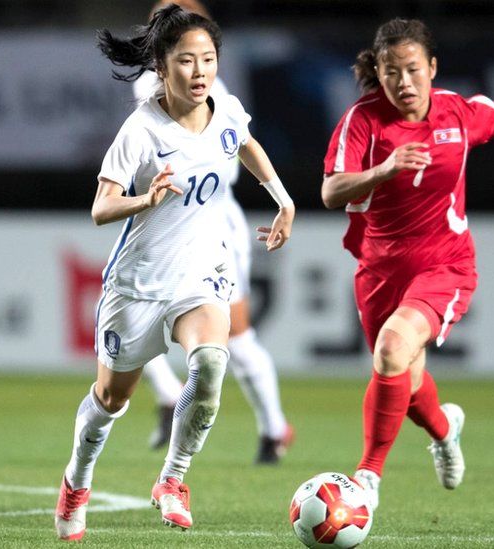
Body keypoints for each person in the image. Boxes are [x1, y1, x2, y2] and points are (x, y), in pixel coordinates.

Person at [54, 5, 295, 540]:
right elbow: (101, 208)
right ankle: (77, 479)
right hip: (138, 286)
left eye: (207, 58)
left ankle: (172, 479)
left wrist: (283, 200)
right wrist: (146, 197)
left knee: (211, 362)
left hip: (200, 275)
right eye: (186, 60)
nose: (199, 70)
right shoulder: (142, 129)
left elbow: (246, 145)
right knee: (111, 401)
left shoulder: (225, 109)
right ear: (161, 68)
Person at [322, 18, 494, 510]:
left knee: (390, 351)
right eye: (392, 72)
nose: (403, 83)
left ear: (432, 67)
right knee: (403, 381)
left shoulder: (459, 113)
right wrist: (385, 169)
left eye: (412, 70)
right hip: (380, 268)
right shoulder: (362, 120)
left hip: (445, 264)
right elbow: (330, 191)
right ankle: (446, 429)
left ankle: (367, 477)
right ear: (379, 73)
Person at [133, 0, 294, 465]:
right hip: (162, 223)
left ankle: (273, 428)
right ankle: (168, 396)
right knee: (126, 319)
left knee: (234, 338)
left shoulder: (202, 88)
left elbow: (238, 148)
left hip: (211, 225)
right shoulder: (154, 81)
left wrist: (283, 200)